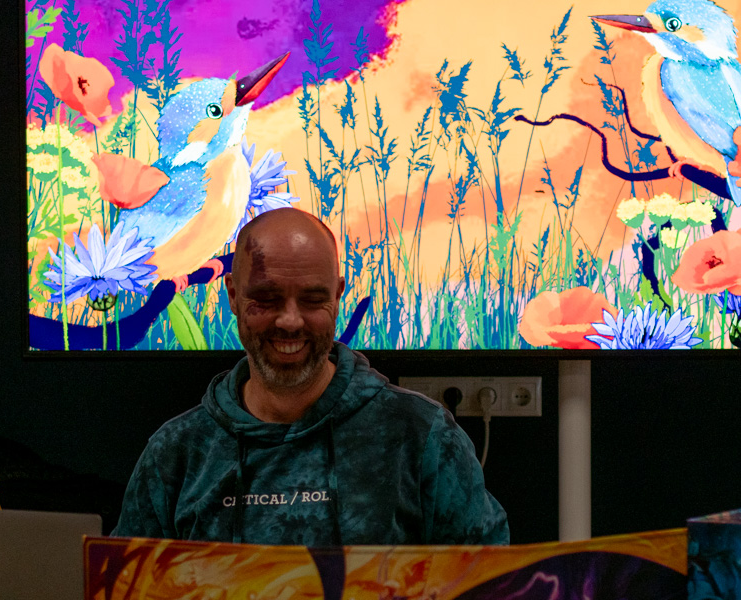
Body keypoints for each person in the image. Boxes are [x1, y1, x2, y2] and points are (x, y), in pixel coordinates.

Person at [114, 207, 509, 546]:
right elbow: (126, 599)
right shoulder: (177, 453)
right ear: (232, 295)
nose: (290, 321)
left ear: (337, 295)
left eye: (312, 300)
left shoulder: (421, 437)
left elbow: (489, 592)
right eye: (267, 299)